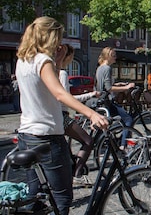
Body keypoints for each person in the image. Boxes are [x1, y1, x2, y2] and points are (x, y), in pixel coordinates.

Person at [15, 16, 108, 214]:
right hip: (47, 137)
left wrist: (57, 63)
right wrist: (91, 114)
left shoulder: (24, 60)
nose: (59, 42)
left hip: (27, 134)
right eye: (58, 37)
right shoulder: (42, 60)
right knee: (61, 199)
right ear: (50, 36)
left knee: (36, 196)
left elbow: (45, 89)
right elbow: (59, 93)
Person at [57, 44, 100, 186]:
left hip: (52, 116)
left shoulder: (50, 71)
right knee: (88, 141)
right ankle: (78, 174)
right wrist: (90, 95)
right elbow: (67, 99)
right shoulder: (62, 73)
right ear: (67, 56)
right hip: (61, 116)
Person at [95, 47, 135, 149]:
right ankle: (123, 145)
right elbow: (108, 88)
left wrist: (118, 84)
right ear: (107, 56)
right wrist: (126, 87)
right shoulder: (107, 68)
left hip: (101, 100)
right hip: (108, 101)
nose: (115, 58)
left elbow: (103, 85)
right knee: (128, 120)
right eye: (113, 55)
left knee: (115, 122)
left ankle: (114, 141)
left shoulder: (100, 68)